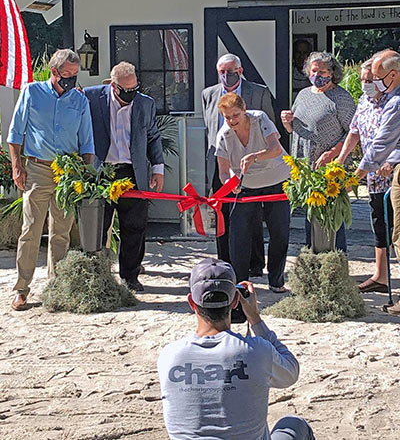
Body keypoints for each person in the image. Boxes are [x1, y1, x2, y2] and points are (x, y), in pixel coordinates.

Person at [158, 258, 315, 440]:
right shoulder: (257, 351)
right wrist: (255, 318)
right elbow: (291, 372)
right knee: (294, 424)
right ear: (235, 301)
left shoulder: (170, 356)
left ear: (192, 303)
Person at [7, 49, 95, 311]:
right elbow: (15, 133)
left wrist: (86, 175)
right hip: (37, 170)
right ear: (54, 72)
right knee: (30, 230)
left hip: (67, 174)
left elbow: (87, 140)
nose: (71, 80)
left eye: (75, 75)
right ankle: (22, 289)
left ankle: (56, 288)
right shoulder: (32, 92)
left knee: (61, 232)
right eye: (67, 75)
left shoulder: (80, 101)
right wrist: (17, 167)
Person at [85, 61, 164, 292]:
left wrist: (157, 168)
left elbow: (153, 136)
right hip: (101, 172)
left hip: (132, 172)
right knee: (98, 227)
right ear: (114, 86)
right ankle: (97, 276)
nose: (132, 94)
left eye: (135, 89)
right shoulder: (91, 98)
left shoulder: (144, 103)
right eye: (126, 90)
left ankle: (130, 276)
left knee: (135, 227)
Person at [202, 53, 276, 277]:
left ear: (240, 71)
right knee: (222, 211)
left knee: (251, 214)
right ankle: (225, 261)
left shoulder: (259, 92)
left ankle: (254, 263)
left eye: (230, 71)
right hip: (220, 162)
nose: (226, 75)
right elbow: (210, 129)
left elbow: (269, 130)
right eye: (222, 72)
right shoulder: (208, 94)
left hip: (250, 164)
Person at [216, 92, 290, 296]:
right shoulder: (224, 134)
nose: (232, 121)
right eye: (227, 117)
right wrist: (230, 184)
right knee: (238, 233)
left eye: (235, 115)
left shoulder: (260, 119)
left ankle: (276, 279)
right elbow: (223, 171)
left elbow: (276, 148)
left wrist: (254, 157)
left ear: (244, 110)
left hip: (276, 180)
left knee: (279, 232)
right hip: (245, 185)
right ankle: (240, 283)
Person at [281, 51, 356, 251]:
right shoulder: (304, 95)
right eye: (314, 71)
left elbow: (353, 133)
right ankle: (313, 257)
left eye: (323, 71)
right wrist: (288, 123)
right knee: (310, 215)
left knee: (332, 215)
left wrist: (333, 154)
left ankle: (336, 259)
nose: (318, 75)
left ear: (332, 73)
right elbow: (295, 129)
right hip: (306, 168)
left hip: (331, 168)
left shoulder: (341, 98)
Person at [337, 57, 398, 293]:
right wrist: (342, 159)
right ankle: (380, 275)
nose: (365, 84)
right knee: (378, 223)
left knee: (395, 227)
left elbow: (384, 143)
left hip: (390, 173)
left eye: (370, 80)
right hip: (373, 175)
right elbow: (354, 132)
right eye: (363, 80)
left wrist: (391, 161)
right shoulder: (364, 101)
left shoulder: (392, 102)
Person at [354, 50, 400, 315]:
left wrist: (356, 175)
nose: (375, 83)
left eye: (378, 78)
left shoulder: (394, 102)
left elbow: (382, 142)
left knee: (398, 233)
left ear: (392, 75)